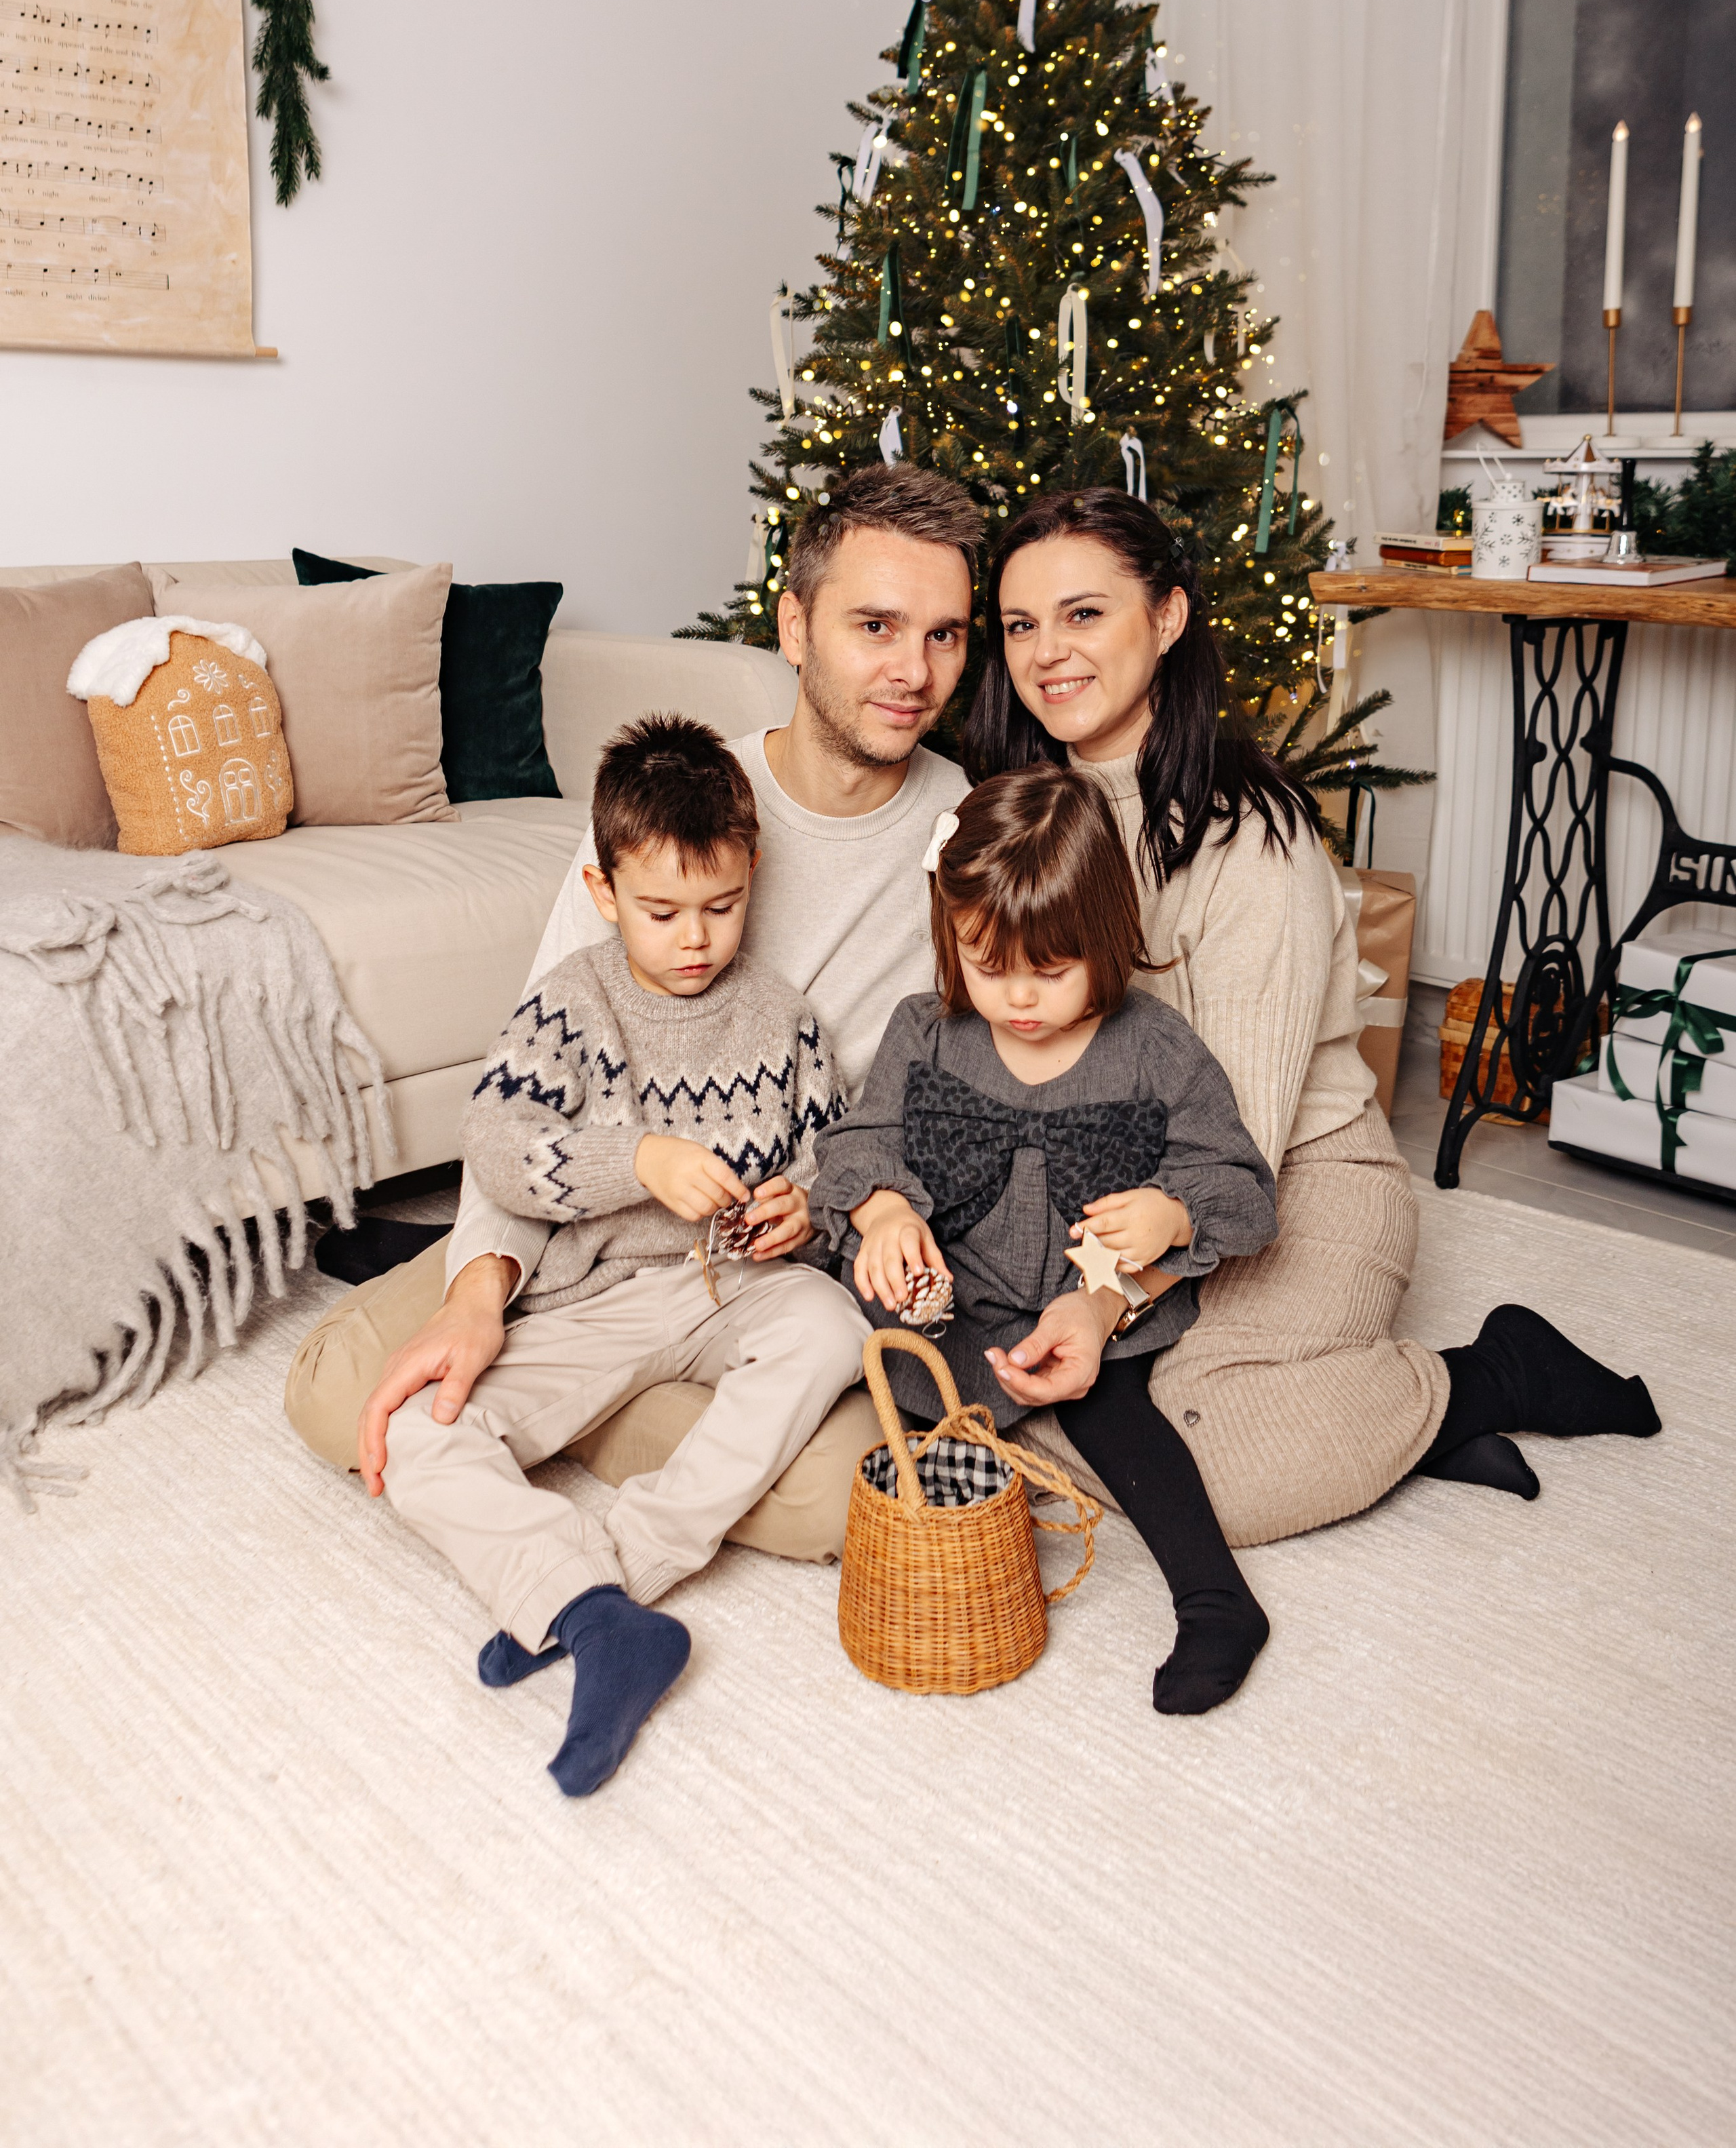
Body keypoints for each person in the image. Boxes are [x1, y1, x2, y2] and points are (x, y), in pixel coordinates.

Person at [283, 463, 980, 1544]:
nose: (913, 669)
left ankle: (585, 1408)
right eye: (877, 625)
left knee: (848, 1496)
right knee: (339, 1400)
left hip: (768, 1268)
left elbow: (965, 1087)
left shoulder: (965, 834)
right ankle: (580, 1379)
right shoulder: (669, 809)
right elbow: (526, 1092)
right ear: (795, 627)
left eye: (945, 634)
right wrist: (480, 1290)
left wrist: (838, 1198)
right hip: (594, 1232)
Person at [961, 486, 1661, 1548]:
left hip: (1292, 1177)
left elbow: (1233, 1137)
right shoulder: (1018, 814)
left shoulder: (1253, 839)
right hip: (1116, 1194)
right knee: (1013, 1393)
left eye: (1084, 613)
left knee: (1209, 1471)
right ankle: (1407, 1425)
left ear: (1168, 616)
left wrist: (1100, 1299)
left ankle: (1487, 1376)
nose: (1047, 651)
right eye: (1021, 624)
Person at [378, 715, 869, 1795]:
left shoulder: (786, 1019)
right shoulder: (574, 1000)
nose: (694, 937)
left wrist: (808, 1206)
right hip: (594, 1295)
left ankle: (595, 1587)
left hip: (741, 1287)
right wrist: (639, 1158)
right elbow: (499, 1149)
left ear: (753, 875)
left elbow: (841, 1151)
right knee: (418, 1432)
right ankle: (596, 1615)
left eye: (722, 906)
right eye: (660, 911)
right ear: (605, 894)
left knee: (831, 1326)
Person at [810, 765, 1281, 1714]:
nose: (1019, 997)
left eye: (1052, 970)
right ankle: (959, 1550)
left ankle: (1214, 1594)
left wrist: (1173, 1216)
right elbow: (857, 1144)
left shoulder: (1155, 1047)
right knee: (880, 1382)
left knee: (1116, 1415)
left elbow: (1243, 1189)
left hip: (1095, 1304)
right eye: (988, 967)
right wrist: (888, 1215)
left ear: (1107, 938)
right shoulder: (927, 1032)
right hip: (957, 1296)